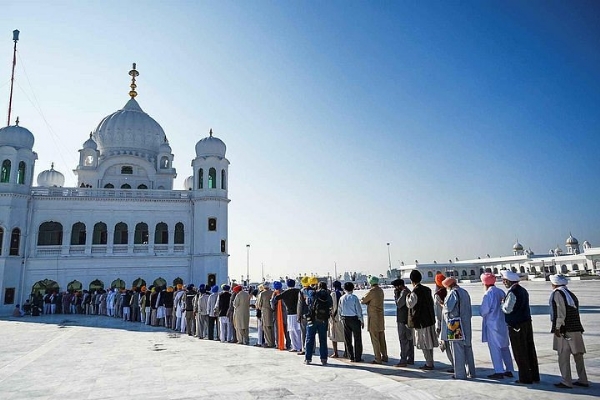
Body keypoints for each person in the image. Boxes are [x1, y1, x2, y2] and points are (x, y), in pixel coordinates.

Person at [549, 274, 589, 388]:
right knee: (578, 355)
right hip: (576, 328)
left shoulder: (557, 293)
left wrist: (557, 327)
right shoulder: (570, 294)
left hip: (564, 330)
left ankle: (566, 381)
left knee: (563, 355)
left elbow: (560, 312)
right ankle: (583, 379)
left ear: (554, 284)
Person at [501, 270, 540, 384]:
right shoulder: (523, 290)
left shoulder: (513, 292)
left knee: (520, 351)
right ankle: (534, 375)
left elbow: (507, 309)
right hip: (526, 323)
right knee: (529, 350)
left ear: (508, 281)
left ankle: (525, 378)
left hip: (516, 326)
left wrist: (502, 304)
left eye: (504, 280)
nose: (503, 282)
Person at [479, 272, 514, 379]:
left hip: (492, 324)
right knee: (504, 347)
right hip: (502, 323)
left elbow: (484, 311)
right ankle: (509, 369)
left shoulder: (488, 294)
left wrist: (482, 312)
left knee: (495, 348)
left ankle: (499, 371)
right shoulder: (500, 291)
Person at [442, 277, 476, 379]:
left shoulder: (452, 293)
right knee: (467, 348)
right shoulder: (464, 292)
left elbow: (448, 307)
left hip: (455, 324)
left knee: (457, 350)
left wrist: (441, 304)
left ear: (448, 286)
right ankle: (471, 372)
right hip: (466, 323)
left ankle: (460, 374)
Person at [406, 270, 438, 370]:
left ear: (412, 281)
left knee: (424, 343)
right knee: (430, 343)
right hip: (429, 319)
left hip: (421, 322)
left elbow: (410, 304)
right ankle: (430, 361)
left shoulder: (415, 292)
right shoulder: (427, 290)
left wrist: (407, 296)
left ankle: (429, 363)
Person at [361, 276, 388, 364]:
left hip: (373, 317)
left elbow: (363, 300)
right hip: (380, 316)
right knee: (382, 337)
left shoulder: (372, 291)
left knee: (375, 338)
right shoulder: (380, 290)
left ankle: (377, 358)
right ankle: (384, 355)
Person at [304, 281, 332, 365]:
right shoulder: (328, 295)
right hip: (323, 320)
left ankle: (308, 359)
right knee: (323, 340)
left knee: (310, 339)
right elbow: (330, 305)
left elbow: (308, 302)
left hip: (312, 319)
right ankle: (324, 359)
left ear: (318, 286)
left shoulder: (313, 293)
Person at [274, 279, 302, 353]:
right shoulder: (299, 291)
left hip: (290, 314)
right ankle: (300, 346)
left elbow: (276, 298)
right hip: (298, 313)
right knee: (298, 331)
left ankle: (295, 347)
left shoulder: (286, 292)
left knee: (292, 331)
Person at [339, 281, 364, 363]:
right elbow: (358, 310)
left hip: (345, 318)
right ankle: (358, 357)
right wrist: (361, 320)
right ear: (352, 288)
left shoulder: (342, 298)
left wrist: (341, 319)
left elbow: (340, 310)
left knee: (348, 339)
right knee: (357, 338)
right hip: (354, 319)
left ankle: (350, 356)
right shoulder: (354, 298)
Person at [391, 278, 414, 367]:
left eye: (396, 287)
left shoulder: (404, 292)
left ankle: (403, 359)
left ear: (400, 285)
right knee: (409, 339)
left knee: (403, 339)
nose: (395, 288)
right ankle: (410, 358)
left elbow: (399, 304)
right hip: (405, 319)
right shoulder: (406, 291)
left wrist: (397, 295)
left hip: (403, 319)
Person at [434, 273, 453, 372]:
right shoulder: (450, 291)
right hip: (454, 322)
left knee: (447, 346)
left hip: (444, 323)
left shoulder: (438, 295)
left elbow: (438, 313)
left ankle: (454, 365)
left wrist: (438, 327)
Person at [328, 280, 346, 358]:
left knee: (334, 335)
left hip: (334, 317)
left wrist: (331, 315)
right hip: (344, 316)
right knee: (345, 334)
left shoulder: (333, 294)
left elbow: (331, 306)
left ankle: (336, 352)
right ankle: (346, 351)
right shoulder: (344, 293)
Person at [257, 282, 275, 348]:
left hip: (265, 312)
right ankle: (273, 342)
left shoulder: (262, 294)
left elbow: (259, 305)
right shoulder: (273, 292)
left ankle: (269, 343)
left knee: (266, 328)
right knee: (272, 328)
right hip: (273, 312)